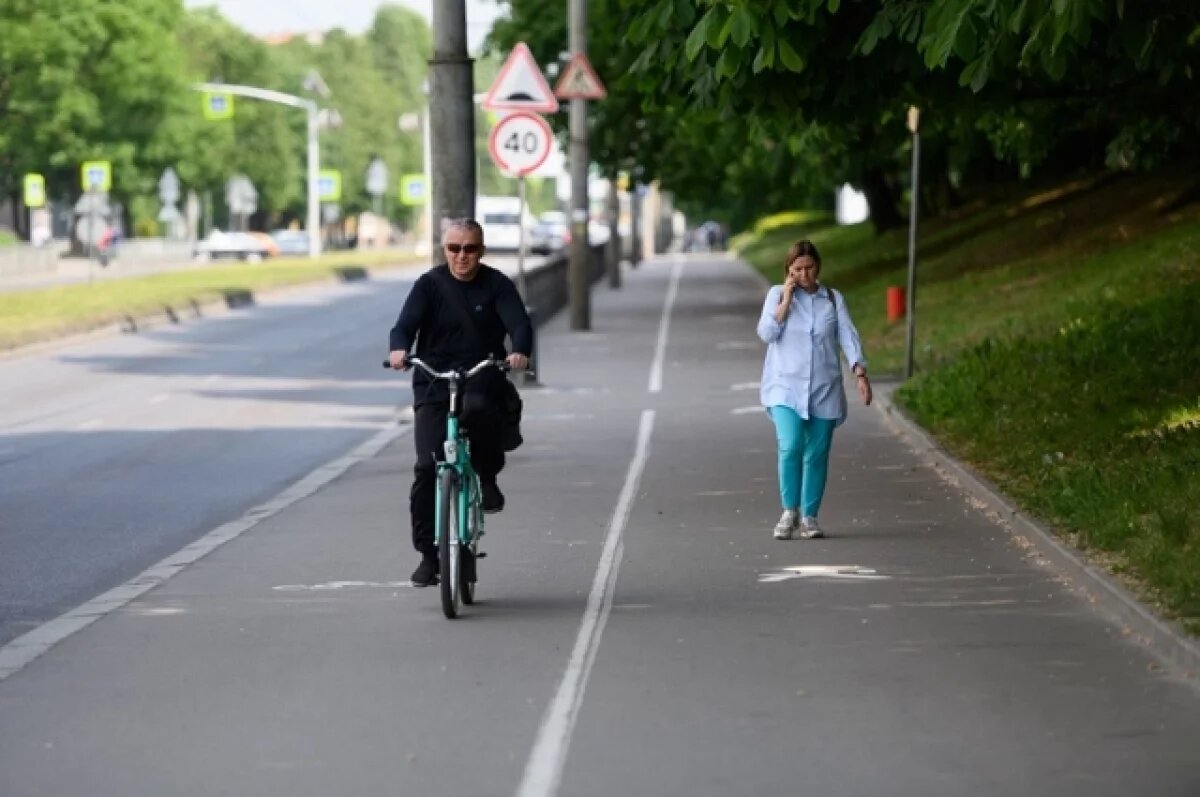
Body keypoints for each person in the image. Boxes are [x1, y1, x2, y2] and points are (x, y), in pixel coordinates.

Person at [388, 219, 532, 586]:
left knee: (482, 409)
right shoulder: (429, 285)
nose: (462, 256)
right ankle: (428, 555)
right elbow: (404, 325)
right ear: (444, 250)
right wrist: (399, 349)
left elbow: (519, 324)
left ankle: (486, 476)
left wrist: (520, 351)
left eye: (469, 249)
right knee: (425, 466)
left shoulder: (497, 285)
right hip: (434, 380)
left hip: (480, 373)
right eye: (454, 248)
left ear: (481, 250)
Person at [756, 239, 872, 540]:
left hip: (824, 387)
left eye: (809, 268)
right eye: (797, 269)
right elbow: (767, 333)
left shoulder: (832, 299)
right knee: (791, 445)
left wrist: (859, 372)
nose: (804, 274)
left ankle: (810, 517)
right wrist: (785, 300)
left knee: (817, 455)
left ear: (817, 268)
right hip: (785, 386)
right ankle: (789, 511)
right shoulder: (775, 295)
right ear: (788, 271)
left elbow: (847, 334)